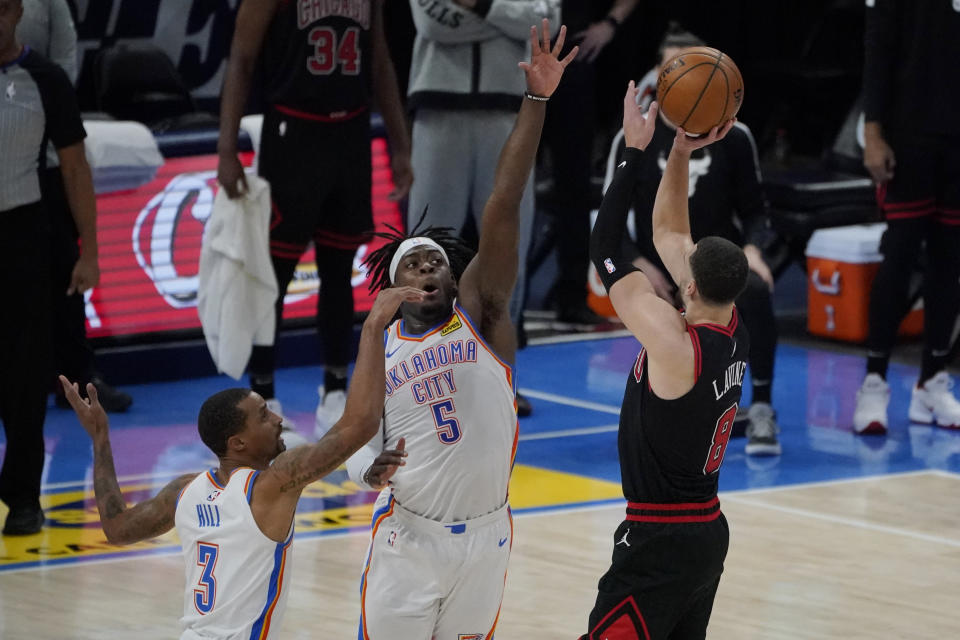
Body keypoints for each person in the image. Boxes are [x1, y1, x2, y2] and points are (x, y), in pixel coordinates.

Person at [345, 21, 576, 639]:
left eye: (436, 262)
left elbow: (503, 198)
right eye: (410, 263)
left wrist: (537, 100)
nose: (425, 267)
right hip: (408, 537)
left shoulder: (481, 320)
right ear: (391, 289)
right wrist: (366, 471)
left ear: (455, 282)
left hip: (486, 538)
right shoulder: (381, 349)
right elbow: (352, 441)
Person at [58, 285, 424, 639]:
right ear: (238, 442)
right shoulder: (272, 484)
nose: (279, 419)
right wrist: (374, 325)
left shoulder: (185, 491)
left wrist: (100, 440)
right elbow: (359, 424)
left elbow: (116, 528)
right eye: (264, 416)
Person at [580, 86, 746, 639]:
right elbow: (670, 233)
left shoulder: (677, 347)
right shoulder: (729, 323)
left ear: (689, 283)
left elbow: (606, 246)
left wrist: (632, 151)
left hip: (660, 538)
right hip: (705, 532)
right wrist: (679, 151)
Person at [217, 0, 413, 440]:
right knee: (275, 274)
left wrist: (399, 144)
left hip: (351, 133)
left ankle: (335, 392)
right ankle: (263, 394)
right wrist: (226, 148)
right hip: (292, 132)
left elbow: (379, 60)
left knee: (340, 271)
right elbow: (242, 60)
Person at [615, 28, 780, 456]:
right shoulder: (634, 135)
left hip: (715, 268)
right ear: (660, 75)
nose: (686, 74)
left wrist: (753, 251)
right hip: (656, 265)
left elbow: (758, 211)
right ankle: (662, 417)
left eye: (693, 64)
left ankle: (761, 406)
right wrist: (642, 267)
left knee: (757, 291)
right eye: (675, 66)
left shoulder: (736, 137)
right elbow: (609, 221)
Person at [405, 0, 561, 416]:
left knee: (508, 255)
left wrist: (481, 5)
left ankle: (501, 382)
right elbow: (431, 21)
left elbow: (546, 23)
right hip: (439, 110)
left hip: (509, 112)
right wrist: (506, 23)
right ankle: (420, 381)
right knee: (424, 253)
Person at [0, 0, 99, 536]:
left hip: (24, 236)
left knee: (24, 374)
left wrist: (91, 252)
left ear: (16, 11)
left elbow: (76, 169)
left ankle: (22, 498)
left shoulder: (46, 79)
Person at [17, 0, 133, 413]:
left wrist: (42, 115)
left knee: (64, 271)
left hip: (46, 157)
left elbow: (63, 64)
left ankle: (78, 378)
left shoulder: (48, 5)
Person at [852, 0, 960, 434]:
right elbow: (877, 50)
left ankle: (932, 380)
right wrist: (873, 133)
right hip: (908, 134)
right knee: (897, 258)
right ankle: (874, 382)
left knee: (950, 265)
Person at [541, 0, 639, 328]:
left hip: (573, 57)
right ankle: (490, 291)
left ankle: (572, 294)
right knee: (507, 181)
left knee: (574, 184)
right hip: (517, 55)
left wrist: (610, 23)